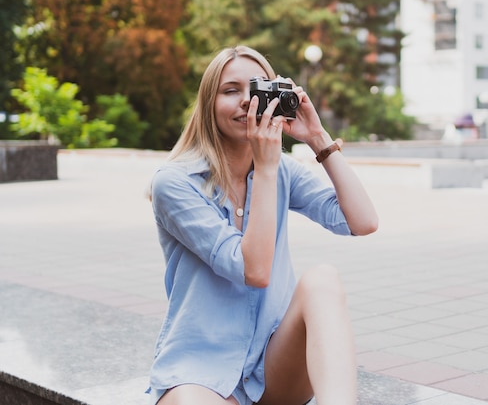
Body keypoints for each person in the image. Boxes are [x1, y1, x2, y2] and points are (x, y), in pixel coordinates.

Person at [147, 45, 378, 405]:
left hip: (273, 367)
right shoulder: (176, 183)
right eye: (230, 91)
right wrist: (267, 168)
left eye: (255, 90)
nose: (245, 102)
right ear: (209, 103)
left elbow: (363, 221)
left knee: (323, 278)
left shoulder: (281, 170)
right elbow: (254, 270)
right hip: (201, 372)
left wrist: (317, 138)